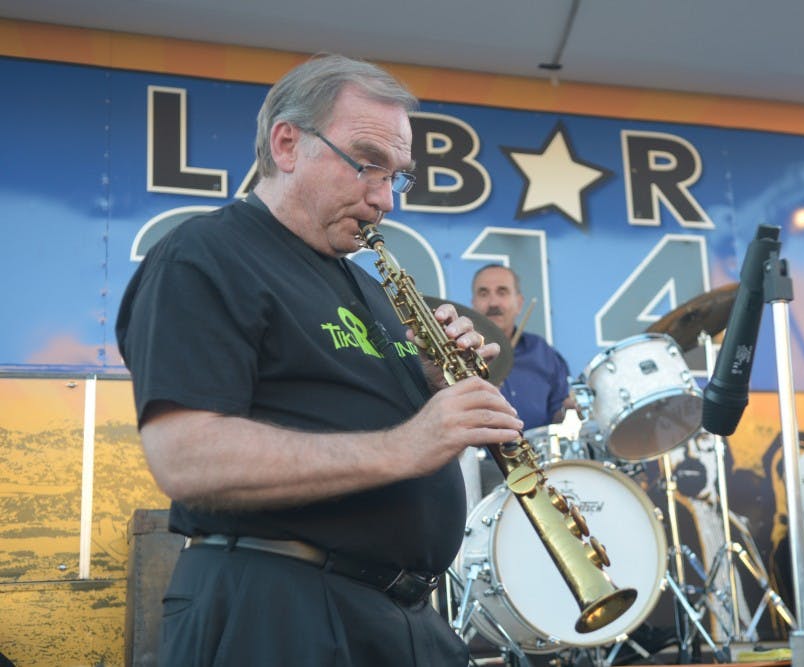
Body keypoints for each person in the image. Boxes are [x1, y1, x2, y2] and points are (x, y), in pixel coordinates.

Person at [115, 53, 523, 666]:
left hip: (397, 621)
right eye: (368, 164)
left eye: (398, 175)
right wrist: (409, 443)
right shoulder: (204, 255)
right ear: (287, 144)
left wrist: (433, 385)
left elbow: (355, 413)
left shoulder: (362, 284)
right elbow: (185, 457)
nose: (385, 198)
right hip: (277, 615)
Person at [470, 264, 572, 431]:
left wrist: (569, 411)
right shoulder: (457, 354)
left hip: (537, 455)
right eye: (483, 293)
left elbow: (558, 416)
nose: (493, 302)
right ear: (473, 303)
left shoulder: (542, 353)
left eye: (502, 292)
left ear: (519, 303)